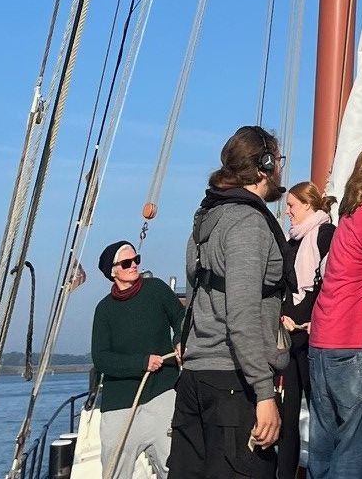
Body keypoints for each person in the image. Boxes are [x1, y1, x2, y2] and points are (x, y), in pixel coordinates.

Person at [170, 126, 291, 479]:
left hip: (196, 378)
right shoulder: (247, 223)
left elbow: (195, 294)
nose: (280, 168)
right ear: (265, 166)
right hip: (233, 383)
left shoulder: (206, 219)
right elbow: (242, 314)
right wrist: (264, 393)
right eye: (278, 160)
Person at [309, 148, 362, 479]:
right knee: (356, 445)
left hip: (323, 339)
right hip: (354, 340)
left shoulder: (347, 218)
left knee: (323, 443)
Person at [91, 240, 183, 478]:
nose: (134, 265)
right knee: (115, 473)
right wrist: (142, 363)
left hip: (163, 395)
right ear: (113, 272)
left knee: (176, 468)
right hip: (120, 406)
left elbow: (181, 317)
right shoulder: (104, 310)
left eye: (136, 260)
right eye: (126, 263)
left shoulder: (156, 289)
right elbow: (101, 359)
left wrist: (179, 340)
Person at [278, 183, 338, 479]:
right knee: (288, 415)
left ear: (307, 204)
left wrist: (313, 320)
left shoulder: (326, 235)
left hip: (315, 335)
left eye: (291, 205)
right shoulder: (292, 241)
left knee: (321, 413)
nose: (287, 211)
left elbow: (330, 284)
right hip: (291, 335)